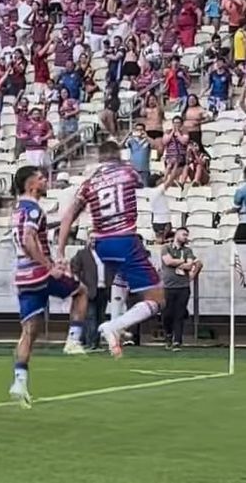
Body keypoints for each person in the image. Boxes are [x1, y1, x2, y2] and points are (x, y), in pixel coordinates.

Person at [57, 141, 164, 358]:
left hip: (101, 245)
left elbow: (68, 216)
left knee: (119, 284)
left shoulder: (89, 183)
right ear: (118, 155)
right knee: (158, 297)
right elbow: (142, 184)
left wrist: (59, 251)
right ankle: (114, 326)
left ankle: (108, 331)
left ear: (99, 158)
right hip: (124, 239)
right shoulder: (128, 172)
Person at [9, 166, 87, 408]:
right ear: (31, 184)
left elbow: (32, 232)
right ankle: (73, 339)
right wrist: (48, 265)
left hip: (22, 276)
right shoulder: (33, 208)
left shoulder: (18, 209)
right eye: (41, 178)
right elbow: (28, 239)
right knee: (81, 291)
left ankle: (19, 382)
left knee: (29, 332)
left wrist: (64, 220)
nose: (46, 181)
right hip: (38, 273)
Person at [70, 233, 116, 350]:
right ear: (87, 240)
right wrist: (79, 284)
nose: (94, 241)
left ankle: (96, 342)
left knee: (100, 317)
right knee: (90, 317)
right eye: (92, 238)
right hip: (88, 290)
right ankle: (91, 343)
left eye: (97, 239)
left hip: (103, 289)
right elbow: (74, 269)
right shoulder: (82, 254)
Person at [160, 228, 202, 351]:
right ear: (177, 234)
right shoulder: (166, 248)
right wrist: (182, 262)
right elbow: (168, 261)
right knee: (167, 314)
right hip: (168, 286)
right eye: (183, 234)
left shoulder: (187, 250)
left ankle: (177, 340)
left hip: (183, 287)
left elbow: (190, 265)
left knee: (179, 314)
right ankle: (168, 334)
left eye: (187, 235)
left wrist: (177, 263)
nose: (185, 237)